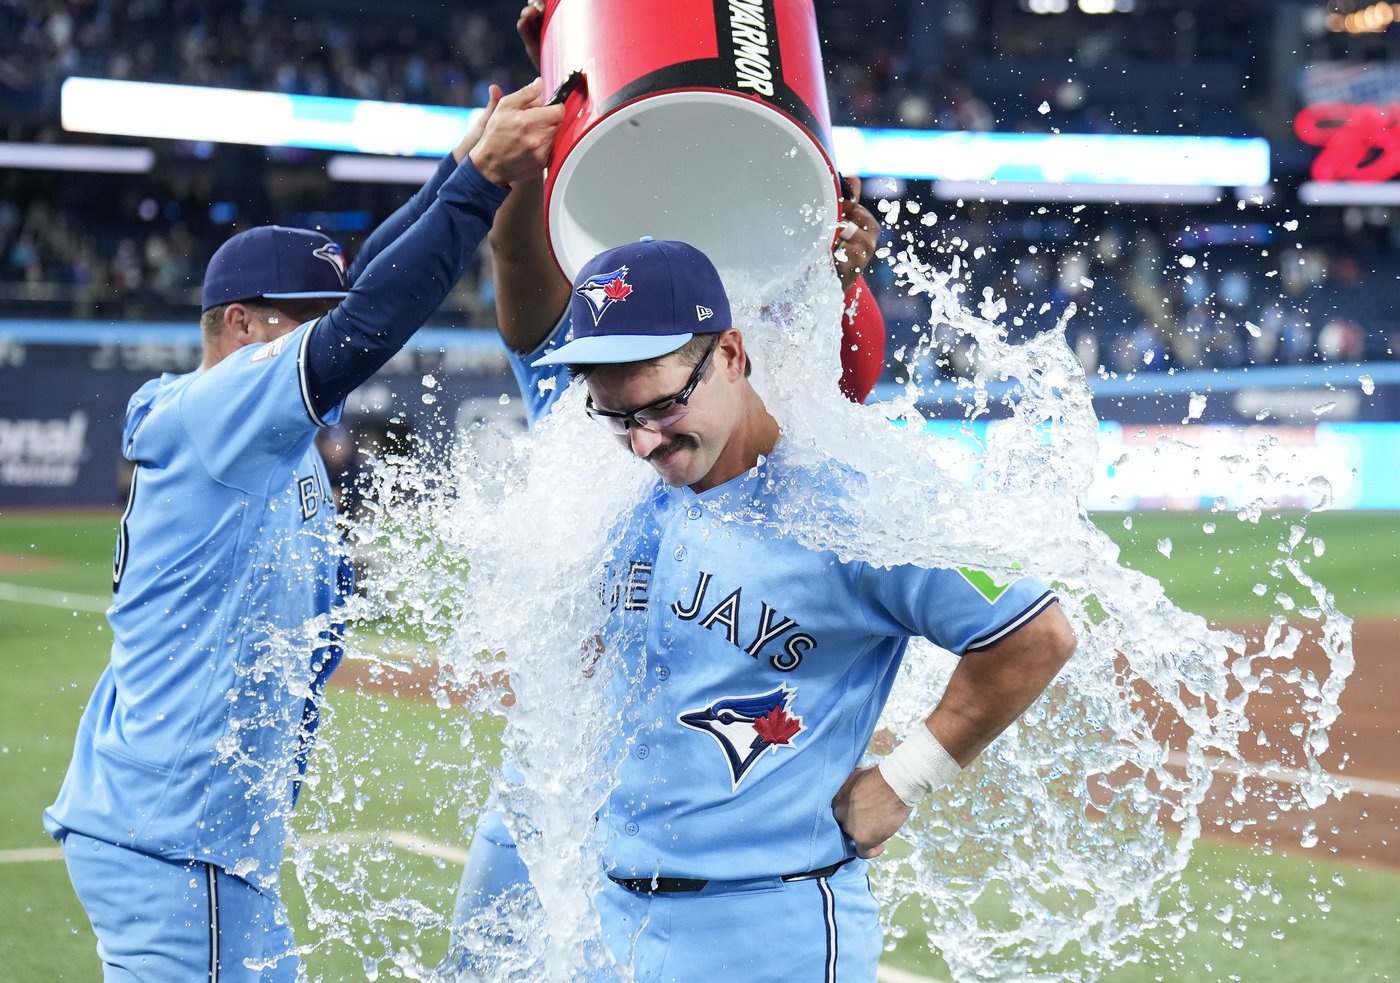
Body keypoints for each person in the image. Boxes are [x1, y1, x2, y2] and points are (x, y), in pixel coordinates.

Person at [42, 79, 564, 981]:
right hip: (177, 844)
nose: (320, 340)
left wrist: (457, 166)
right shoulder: (216, 409)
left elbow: (367, 284)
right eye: (301, 322)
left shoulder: (263, 434)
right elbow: (366, 323)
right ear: (237, 324)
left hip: (190, 844)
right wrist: (479, 183)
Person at [473, 237, 1078, 980]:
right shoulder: (616, 493)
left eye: (662, 406)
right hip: (612, 923)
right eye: (617, 416)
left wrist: (905, 780)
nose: (642, 442)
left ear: (731, 353)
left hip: (770, 929)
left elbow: (1034, 633)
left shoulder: (855, 498)